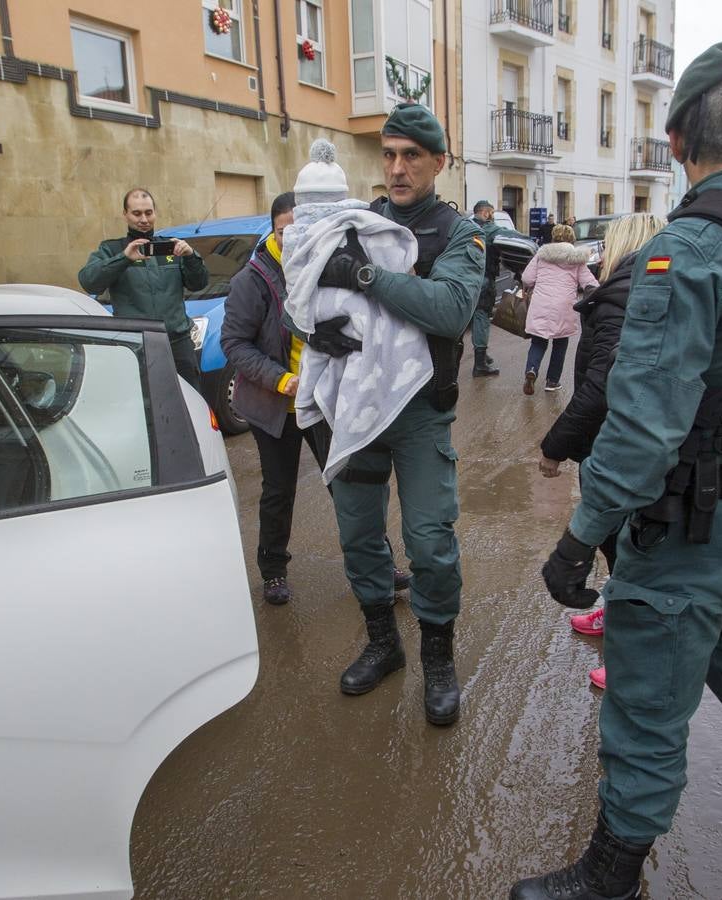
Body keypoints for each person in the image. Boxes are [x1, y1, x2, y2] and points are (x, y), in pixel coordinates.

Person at [513, 38, 722, 899]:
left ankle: (611, 875)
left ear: (676, 143)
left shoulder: (689, 251)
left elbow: (640, 428)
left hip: (694, 526)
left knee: (644, 699)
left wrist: (579, 538)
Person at [306, 103, 484, 726]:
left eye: (412, 155)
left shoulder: (458, 234)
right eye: (388, 154)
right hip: (357, 406)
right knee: (358, 531)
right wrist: (313, 332)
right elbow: (305, 287)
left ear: (439, 161)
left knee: (429, 542)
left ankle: (438, 659)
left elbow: (450, 310)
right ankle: (384, 643)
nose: (398, 167)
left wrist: (365, 274)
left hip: (419, 414)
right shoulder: (360, 219)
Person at [222, 187, 410, 606]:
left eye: (299, 228)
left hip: (323, 397)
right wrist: (281, 379)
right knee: (278, 490)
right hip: (275, 403)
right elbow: (234, 342)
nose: (293, 238)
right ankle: (272, 570)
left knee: (348, 483)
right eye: (283, 230)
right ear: (272, 231)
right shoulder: (252, 279)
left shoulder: (322, 260)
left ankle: (378, 563)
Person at [536, 213, 667, 690]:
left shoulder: (622, 299)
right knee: (620, 546)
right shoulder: (636, 290)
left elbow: (601, 387)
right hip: (627, 441)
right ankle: (614, 615)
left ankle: (632, 657)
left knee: (627, 550)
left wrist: (555, 445)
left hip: (621, 446)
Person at [78, 189, 208, 388]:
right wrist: (124, 258)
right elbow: (89, 281)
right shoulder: (112, 249)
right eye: (137, 213)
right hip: (136, 345)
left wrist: (190, 256)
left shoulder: (171, 247)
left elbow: (199, 283)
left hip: (177, 344)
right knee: (144, 405)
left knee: (189, 403)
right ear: (125, 214)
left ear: (155, 213)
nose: (144, 219)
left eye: (148, 213)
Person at [520, 224, 597, 396]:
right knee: (560, 343)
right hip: (564, 305)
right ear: (571, 239)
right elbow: (589, 283)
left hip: (541, 302)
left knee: (538, 341)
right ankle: (552, 381)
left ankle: (531, 370)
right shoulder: (577, 259)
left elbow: (527, 278)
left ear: (553, 237)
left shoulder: (541, 255)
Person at [469, 200, 526, 377]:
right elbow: (514, 237)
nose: (492, 217)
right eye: (491, 213)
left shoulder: (465, 226)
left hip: (465, 280)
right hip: (484, 280)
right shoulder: (489, 229)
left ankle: (482, 356)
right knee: (482, 318)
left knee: (468, 319)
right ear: (486, 213)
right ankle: (479, 365)